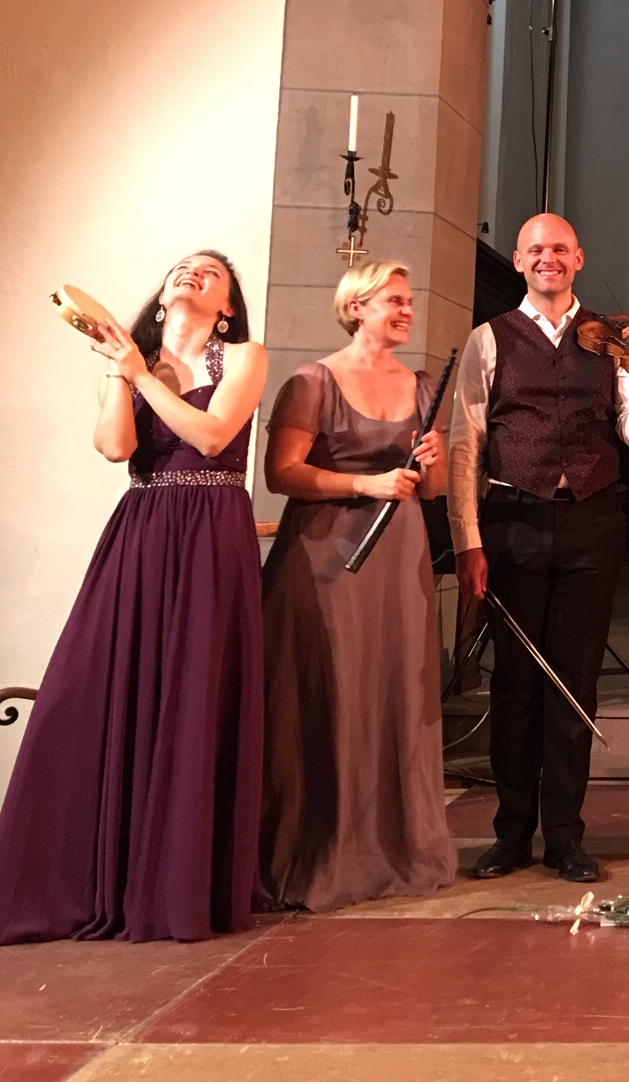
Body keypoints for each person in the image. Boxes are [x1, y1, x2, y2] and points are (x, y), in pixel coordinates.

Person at [0, 252, 267, 946]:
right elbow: (113, 447)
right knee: (99, 691)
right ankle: (96, 879)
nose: (191, 273)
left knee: (193, 695)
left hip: (213, 535)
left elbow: (213, 434)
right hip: (140, 533)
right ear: (163, 296)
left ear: (225, 305)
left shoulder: (244, 356)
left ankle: (180, 884)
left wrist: (140, 376)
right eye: (181, 268)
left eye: (210, 272)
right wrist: (122, 372)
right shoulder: (132, 365)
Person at [448, 214, 629, 883]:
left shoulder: (614, 342)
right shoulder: (487, 340)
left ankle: (564, 834)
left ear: (578, 257)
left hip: (591, 522)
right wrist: (467, 540)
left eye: (559, 248)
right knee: (515, 684)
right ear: (520, 262)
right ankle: (511, 831)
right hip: (511, 522)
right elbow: (466, 442)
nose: (547, 258)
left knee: (575, 684)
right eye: (535, 250)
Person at [258, 261, 455, 911]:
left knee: (392, 692)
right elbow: (282, 474)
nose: (407, 310)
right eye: (394, 300)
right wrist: (365, 484)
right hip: (325, 558)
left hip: (398, 561)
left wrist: (430, 465)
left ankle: (391, 846)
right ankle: (322, 850)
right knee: (331, 696)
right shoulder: (313, 381)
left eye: (409, 300)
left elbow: (433, 490)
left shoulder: (424, 385)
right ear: (358, 304)